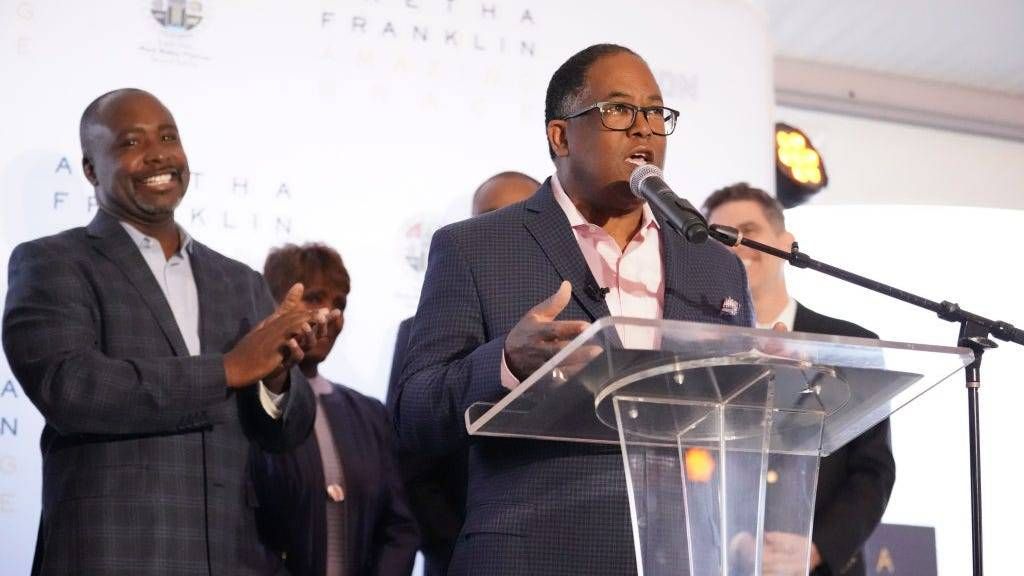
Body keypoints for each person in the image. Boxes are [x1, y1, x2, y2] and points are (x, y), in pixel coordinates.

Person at [393, 44, 753, 576]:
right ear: (560, 136)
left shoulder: (715, 266)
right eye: (619, 109)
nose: (644, 127)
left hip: (681, 556)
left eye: (655, 111)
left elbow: (736, 427)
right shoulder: (476, 247)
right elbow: (413, 415)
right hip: (532, 556)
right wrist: (506, 363)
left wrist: (765, 382)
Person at [1, 88, 334, 575]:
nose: (158, 154)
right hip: (111, 556)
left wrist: (277, 377)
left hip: (230, 556)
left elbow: (287, 434)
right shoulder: (52, 262)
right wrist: (227, 369)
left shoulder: (239, 281)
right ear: (91, 169)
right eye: (130, 142)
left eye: (168, 137)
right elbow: (71, 388)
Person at [704, 183, 896, 576]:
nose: (736, 246)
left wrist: (816, 548)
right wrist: (733, 540)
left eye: (748, 231)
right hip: (721, 563)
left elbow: (873, 469)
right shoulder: (700, 348)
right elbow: (687, 465)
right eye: (721, 237)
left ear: (786, 242)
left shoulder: (850, 344)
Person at [386, 170, 539, 576]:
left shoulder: (578, 329)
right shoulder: (419, 331)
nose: (504, 232)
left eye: (519, 216)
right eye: (489, 219)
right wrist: (463, 546)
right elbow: (409, 461)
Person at [254, 243, 420, 576]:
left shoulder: (369, 415)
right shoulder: (247, 408)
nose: (330, 314)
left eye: (339, 303)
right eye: (314, 298)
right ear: (273, 303)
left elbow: (399, 527)